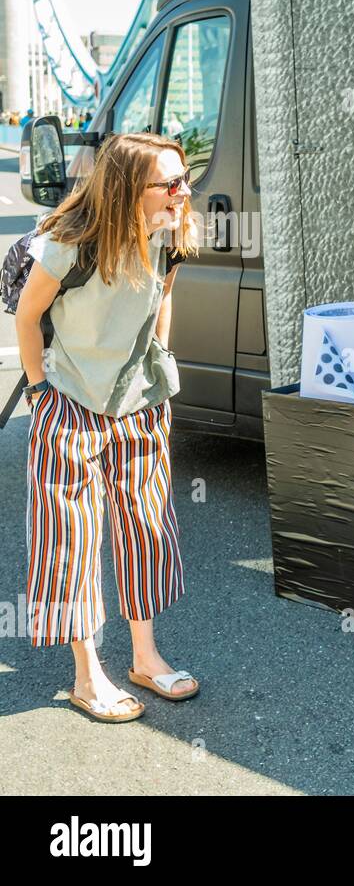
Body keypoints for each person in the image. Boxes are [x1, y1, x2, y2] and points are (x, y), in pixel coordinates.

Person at [16, 132, 200, 722]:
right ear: (127, 189)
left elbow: (161, 298)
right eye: (169, 183)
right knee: (69, 541)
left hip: (140, 405)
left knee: (146, 529)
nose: (183, 190)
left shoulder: (166, 235)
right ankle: (86, 673)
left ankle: (144, 657)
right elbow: (27, 313)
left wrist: (161, 364)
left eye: (183, 178)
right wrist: (40, 388)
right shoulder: (72, 245)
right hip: (70, 404)